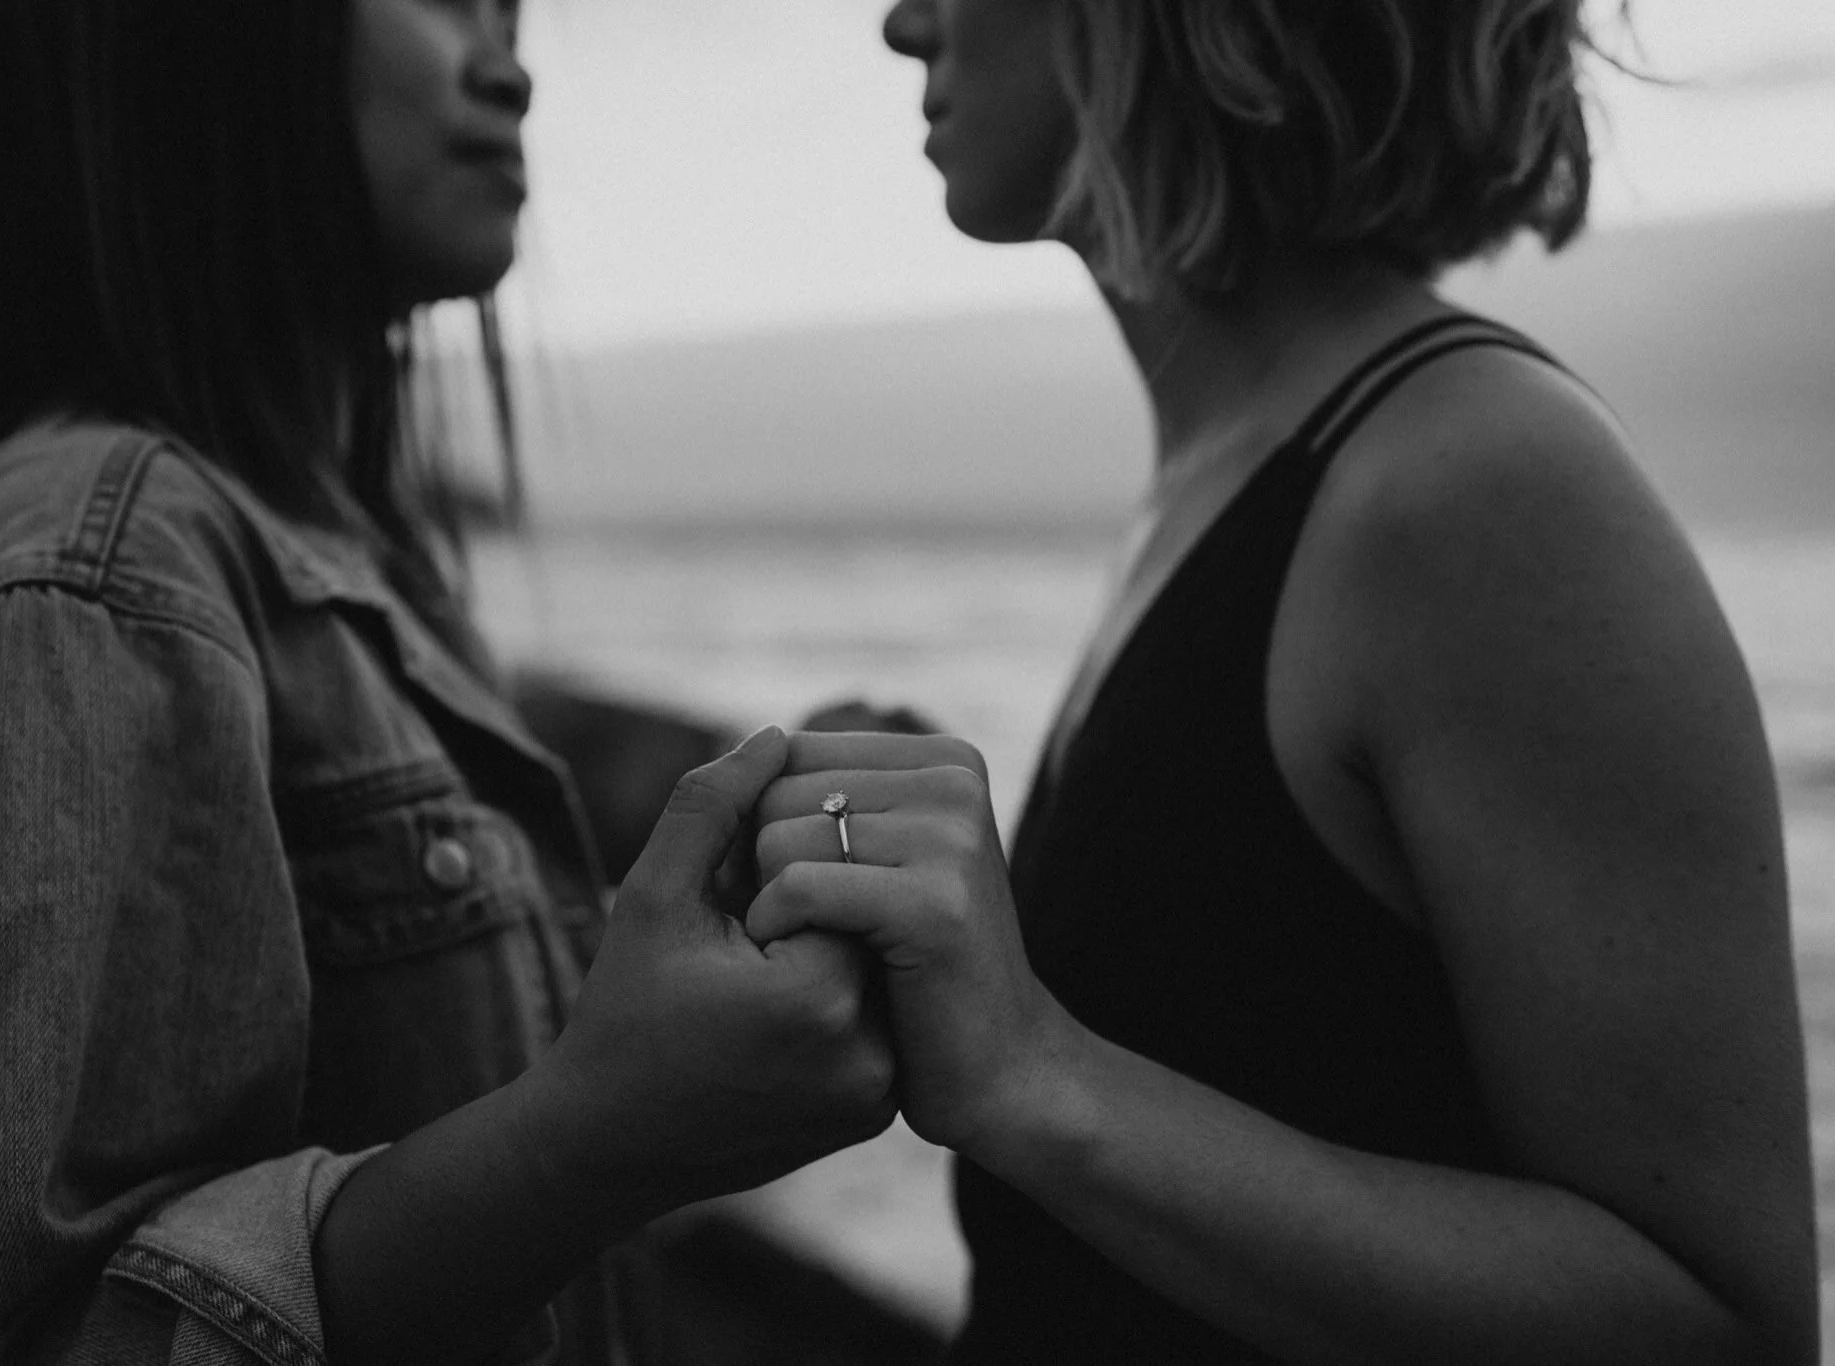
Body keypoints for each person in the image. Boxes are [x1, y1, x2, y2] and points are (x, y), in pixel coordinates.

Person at [0, 1, 898, 1362]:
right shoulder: (90, 584)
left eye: (507, 10)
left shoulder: (319, 561)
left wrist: (694, 912)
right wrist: (604, 1132)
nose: (509, 67)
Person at [746, 0, 1821, 1361]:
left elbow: (1723, 1322)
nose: (904, 23)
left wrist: (1033, 1071)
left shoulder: (1474, 477)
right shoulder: (1236, 472)